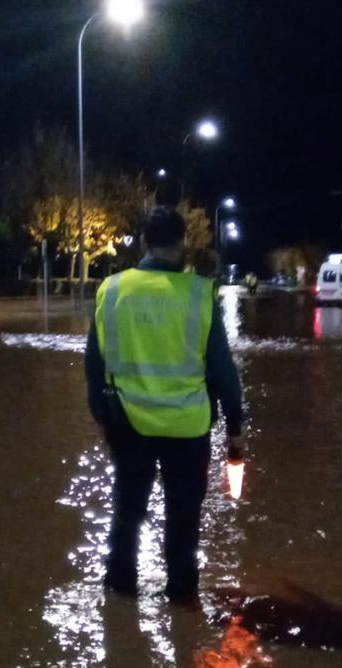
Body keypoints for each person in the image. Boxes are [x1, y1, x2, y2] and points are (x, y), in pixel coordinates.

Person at [85, 206, 244, 603]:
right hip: (187, 429)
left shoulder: (113, 289)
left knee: (127, 514)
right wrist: (236, 425)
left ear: (143, 242)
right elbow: (223, 370)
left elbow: (93, 362)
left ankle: (119, 600)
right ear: (183, 244)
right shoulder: (199, 293)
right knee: (184, 519)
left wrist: (102, 414)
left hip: (128, 424)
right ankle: (182, 599)